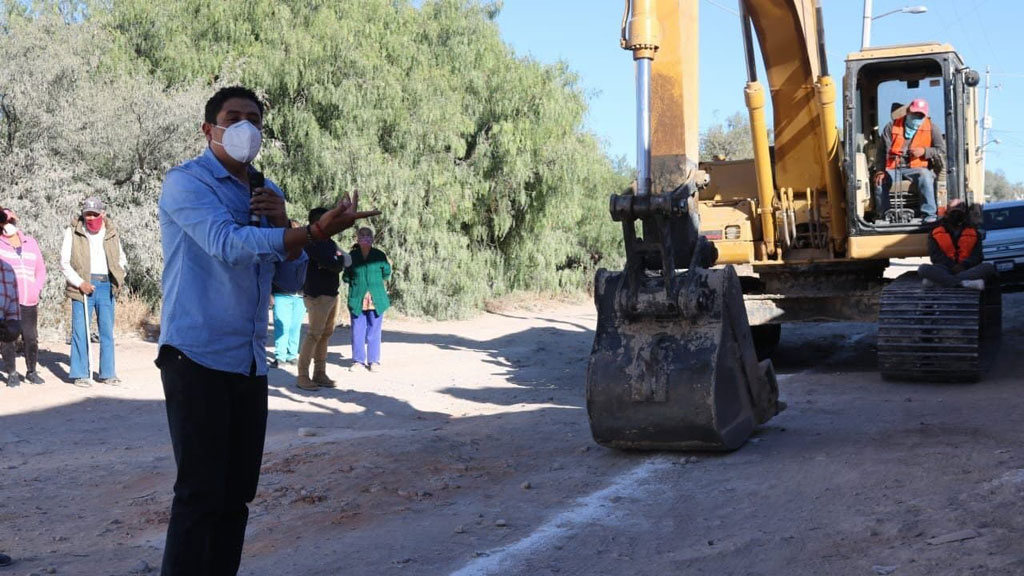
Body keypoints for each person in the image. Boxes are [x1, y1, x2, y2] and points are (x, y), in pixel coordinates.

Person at [158, 85, 378, 576]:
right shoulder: (186, 183)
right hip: (196, 354)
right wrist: (312, 232)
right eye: (233, 117)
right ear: (208, 128)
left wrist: (291, 231)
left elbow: (286, 280)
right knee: (199, 493)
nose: (244, 128)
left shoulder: (267, 190)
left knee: (237, 495)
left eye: (254, 120)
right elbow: (226, 243)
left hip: (249, 359)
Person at [60, 197, 127, 387]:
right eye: (87, 214)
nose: (90, 218)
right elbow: (64, 262)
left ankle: (108, 373)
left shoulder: (111, 232)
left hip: (106, 285)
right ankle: (81, 373)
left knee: (107, 331)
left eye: (94, 214)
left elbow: (121, 258)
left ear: (102, 214)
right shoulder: (73, 231)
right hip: (82, 286)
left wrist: (119, 275)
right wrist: (80, 282)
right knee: (80, 330)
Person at [296, 207, 351, 391]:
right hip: (317, 294)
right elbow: (332, 263)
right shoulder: (311, 242)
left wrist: (337, 262)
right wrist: (336, 262)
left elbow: (344, 260)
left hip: (332, 293)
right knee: (313, 334)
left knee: (325, 335)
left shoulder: (329, 242)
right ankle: (302, 375)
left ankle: (320, 373)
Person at [873, 98, 946, 223]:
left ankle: (929, 215)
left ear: (925, 115)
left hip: (917, 168)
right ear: (907, 112)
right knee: (879, 182)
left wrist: (924, 151)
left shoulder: (932, 128)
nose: (917, 117)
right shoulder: (891, 127)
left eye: (920, 115)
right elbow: (881, 152)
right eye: (914, 113)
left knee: (925, 175)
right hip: (893, 168)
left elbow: (941, 150)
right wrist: (880, 171)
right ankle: (884, 215)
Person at [0, 209, 46, 386]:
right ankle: (12, 373)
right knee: (9, 337)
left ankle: (31, 371)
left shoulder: (30, 242)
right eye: (5, 221)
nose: (9, 224)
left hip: (29, 300)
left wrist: (36, 288)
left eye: (12, 220)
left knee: (31, 337)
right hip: (8, 302)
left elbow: (40, 270)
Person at [918, 198, 995, 290]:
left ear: (965, 212)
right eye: (953, 209)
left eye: (959, 209)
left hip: (967, 269)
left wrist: (963, 265)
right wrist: (952, 266)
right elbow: (935, 256)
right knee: (923, 269)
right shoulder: (935, 232)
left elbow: (977, 256)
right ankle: (963, 283)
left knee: (988, 267)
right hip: (944, 268)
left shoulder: (974, 232)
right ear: (947, 212)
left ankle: (941, 282)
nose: (956, 212)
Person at [344, 227, 392, 372]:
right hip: (357, 298)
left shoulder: (379, 255)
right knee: (357, 330)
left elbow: (386, 272)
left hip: (376, 298)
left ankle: (374, 361)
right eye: (362, 235)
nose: (365, 238)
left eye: (368, 235)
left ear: (372, 238)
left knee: (374, 330)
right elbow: (346, 276)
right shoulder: (352, 256)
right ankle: (358, 361)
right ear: (357, 238)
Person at [270, 220, 306, 369]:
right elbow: (269, 272)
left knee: (295, 326)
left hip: (300, 295)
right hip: (281, 294)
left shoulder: (305, 252)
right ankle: (280, 356)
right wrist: (270, 293)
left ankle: (292, 355)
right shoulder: (278, 252)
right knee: (281, 325)